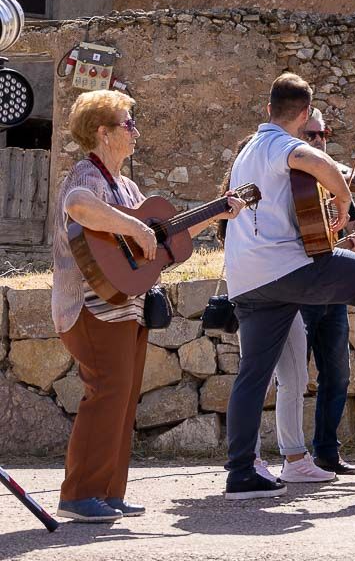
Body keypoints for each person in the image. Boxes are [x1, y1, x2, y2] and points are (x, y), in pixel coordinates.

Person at [52, 90, 245, 522]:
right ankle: (78, 495)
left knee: (122, 400)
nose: (136, 131)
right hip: (91, 308)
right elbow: (78, 206)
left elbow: (162, 239)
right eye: (128, 123)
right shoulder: (86, 175)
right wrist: (134, 227)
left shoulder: (126, 187)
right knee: (106, 394)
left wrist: (216, 214)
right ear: (103, 133)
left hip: (124, 306)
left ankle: (108, 492)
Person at [223, 73, 355, 501]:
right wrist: (344, 202)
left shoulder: (247, 151)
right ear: (305, 112)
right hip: (285, 268)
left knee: (252, 375)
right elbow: (318, 162)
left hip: (248, 279)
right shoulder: (281, 144)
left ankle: (240, 472)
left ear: (268, 107)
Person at [297, 109, 355, 476]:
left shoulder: (333, 181)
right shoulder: (289, 183)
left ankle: (326, 451)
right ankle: (291, 455)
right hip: (301, 290)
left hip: (332, 291)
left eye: (322, 134)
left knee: (337, 374)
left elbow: (350, 227)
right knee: (293, 376)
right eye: (310, 134)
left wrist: (352, 241)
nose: (318, 140)